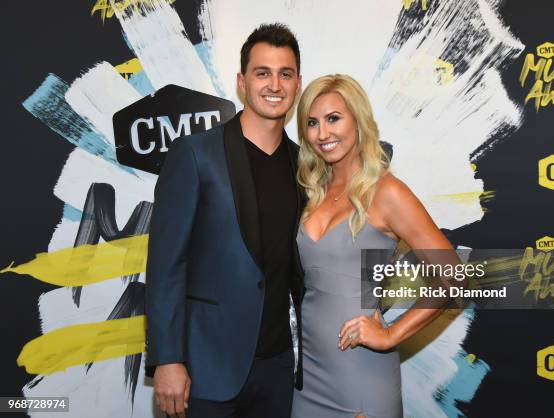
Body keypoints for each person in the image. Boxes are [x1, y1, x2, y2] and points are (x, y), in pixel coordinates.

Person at [145, 23, 304, 418]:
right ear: (242, 82)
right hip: (205, 369)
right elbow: (166, 267)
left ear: (298, 84)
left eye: (285, 73)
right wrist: (168, 359)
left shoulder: (306, 166)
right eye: (262, 72)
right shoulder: (196, 154)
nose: (274, 84)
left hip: (278, 368)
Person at [291, 74, 456, 418]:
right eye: (312, 123)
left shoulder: (387, 192)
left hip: (361, 376)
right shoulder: (312, 193)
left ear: (358, 120)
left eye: (333, 118)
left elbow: (453, 278)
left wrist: (390, 335)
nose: (323, 134)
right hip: (307, 377)